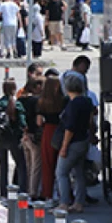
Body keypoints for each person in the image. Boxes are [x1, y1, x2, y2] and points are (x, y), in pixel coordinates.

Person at [56, 76, 95, 212]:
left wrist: (64, 146)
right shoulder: (87, 101)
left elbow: (70, 127)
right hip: (83, 139)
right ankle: (79, 202)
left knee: (61, 172)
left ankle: (64, 203)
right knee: (79, 173)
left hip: (73, 141)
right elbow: (90, 121)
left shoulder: (73, 104)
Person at [0, 78, 27, 196]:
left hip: (0, 138)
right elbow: (22, 123)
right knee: (21, 164)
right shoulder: (17, 104)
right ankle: (22, 191)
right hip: (14, 138)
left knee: (3, 166)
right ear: (14, 89)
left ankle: (3, 193)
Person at [36, 76, 67, 204]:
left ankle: (48, 194)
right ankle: (63, 194)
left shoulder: (41, 101)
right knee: (62, 166)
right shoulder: (64, 100)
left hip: (48, 131)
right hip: (61, 131)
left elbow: (38, 122)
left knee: (47, 164)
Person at [18, 78, 44, 199]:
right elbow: (39, 121)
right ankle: (33, 192)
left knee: (28, 165)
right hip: (34, 136)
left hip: (24, 135)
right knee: (36, 166)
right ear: (36, 87)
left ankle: (28, 190)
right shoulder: (37, 101)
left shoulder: (20, 100)